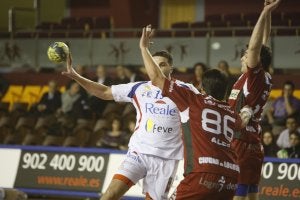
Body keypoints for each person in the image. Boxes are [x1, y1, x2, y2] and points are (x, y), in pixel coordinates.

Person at [62, 51, 199, 199]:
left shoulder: (187, 90)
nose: (157, 69)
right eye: (154, 65)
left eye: (162, 65)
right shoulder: (139, 88)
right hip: (138, 153)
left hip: (167, 159)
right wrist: (76, 76)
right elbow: (105, 92)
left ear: (171, 68)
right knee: (110, 194)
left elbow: (204, 112)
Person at [140, 24, 253, 200]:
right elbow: (243, 120)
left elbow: (156, 78)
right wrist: (248, 109)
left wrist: (143, 48)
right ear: (225, 91)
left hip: (202, 175)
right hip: (231, 178)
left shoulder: (194, 100)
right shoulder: (232, 114)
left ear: (201, 88)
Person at [227, 1, 281, 199]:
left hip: (241, 140)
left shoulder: (254, 75)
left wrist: (264, 12)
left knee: (239, 191)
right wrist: (266, 14)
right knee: (250, 190)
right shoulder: (264, 76)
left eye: (246, 56)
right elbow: (264, 43)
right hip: (253, 141)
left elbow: (256, 47)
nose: (243, 58)